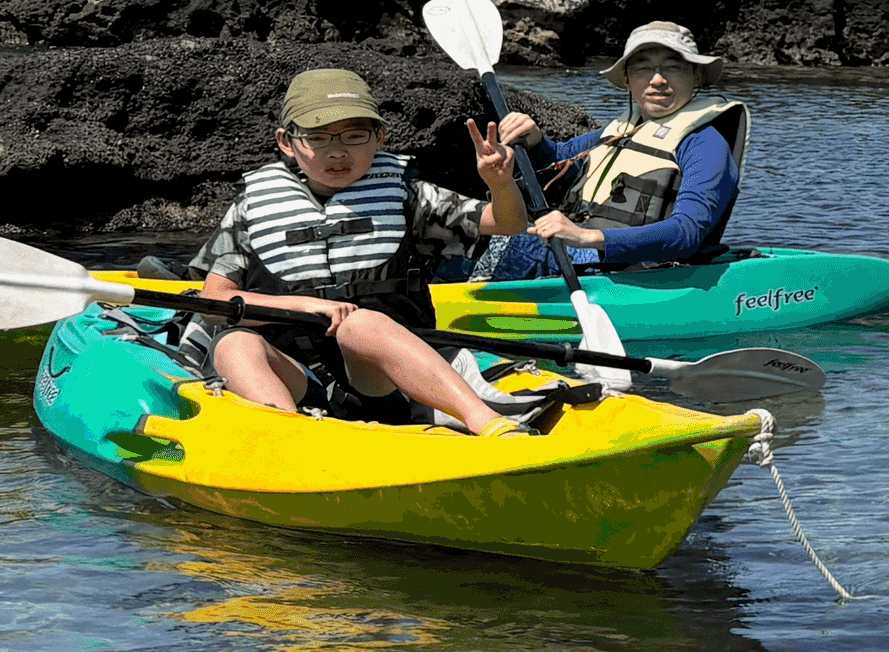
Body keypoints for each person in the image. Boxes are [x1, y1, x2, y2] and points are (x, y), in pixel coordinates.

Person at [181, 67, 539, 438]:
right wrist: (305, 306)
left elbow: (507, 223)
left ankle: (486, 421)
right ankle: (290, 437)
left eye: (354, 135)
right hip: (298, 380)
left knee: (360, 324)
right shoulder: (251, 207)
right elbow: (214, 301)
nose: (337, 151)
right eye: (317, 138)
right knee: (234, 343)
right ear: (287, 142)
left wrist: (501, 185)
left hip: (385, 385)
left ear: (380, 136)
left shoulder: (407, 194)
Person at [482, 22, 748, 278]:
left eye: (673, 67)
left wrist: (587, 237)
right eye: (643, 68)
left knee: (497, 244)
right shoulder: (620, 129)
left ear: (696, 75)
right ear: (627, 79)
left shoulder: (705, 145)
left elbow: (688, 232)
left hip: (641, 271)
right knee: (475, 226)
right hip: (584, 257)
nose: (657, 80)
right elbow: (562, 161)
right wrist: (534, 141)